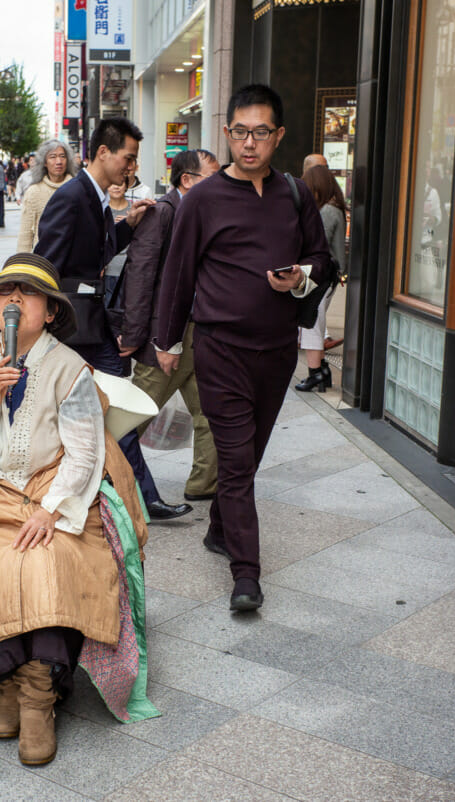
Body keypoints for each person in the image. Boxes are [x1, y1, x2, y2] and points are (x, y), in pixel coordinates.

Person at [0, 254, 154, 766]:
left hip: (56, 489)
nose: (15, 302)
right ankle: (8, 683)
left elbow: (86, 452)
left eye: (29, 294)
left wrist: (51, 510)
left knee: (50, 561)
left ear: (48, 312)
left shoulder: (70, 367)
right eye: (6, 292)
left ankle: (38, 693)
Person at [155, 85, 332, 611]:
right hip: (219, 349)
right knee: (235, 462)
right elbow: (178, 273)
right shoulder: (204, 199)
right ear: (227, 132)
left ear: (278, 136)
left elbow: (322, 262)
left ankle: (218, 529)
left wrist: (299, 276)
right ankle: (246, 574)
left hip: (277, 350)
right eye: (239, 132)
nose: (248, 143)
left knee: (246, 458)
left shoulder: (295, 194)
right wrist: (164, 341)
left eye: (260, 133)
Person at [34, 117, 189, 521]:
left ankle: (140, 494)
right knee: (97, 408)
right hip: (72, 327)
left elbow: (93, 253)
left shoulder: (96, 197)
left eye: (135, 160)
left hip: (91, 326)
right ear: (103, 152)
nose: (131, 167)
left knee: (114, 405)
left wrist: (127, 226)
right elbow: (46, 261)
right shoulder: (73, 196)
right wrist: (45, 322)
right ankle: (108, 491)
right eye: (128, 157)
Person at [119, 148, 221, 501]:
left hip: (200, 330)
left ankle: (204, 485)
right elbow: (141, 275)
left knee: (210, 413)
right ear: (187, 180)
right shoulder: (162, 213)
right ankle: (105, 478)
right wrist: (139, 335)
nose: (221, 183)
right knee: (134, 416)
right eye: (214, 176)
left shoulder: (204, 213)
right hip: (165, 335)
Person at [294, 163, 347, 392]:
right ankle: (321, 371)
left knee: (312, 321)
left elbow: (316, 242)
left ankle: (316, 373)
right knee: (315, 320)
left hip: (321, 273)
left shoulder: (326, 211)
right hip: (329, 272)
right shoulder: (334, 208)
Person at [16, 140, 78, 252]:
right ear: (44, 162)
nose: (58, 161)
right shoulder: (34, 192)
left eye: (62, 156)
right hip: (43, 260)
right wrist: (22, 263)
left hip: (73, 259)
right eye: (53, 157)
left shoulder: (79, 189)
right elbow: (25, 233)